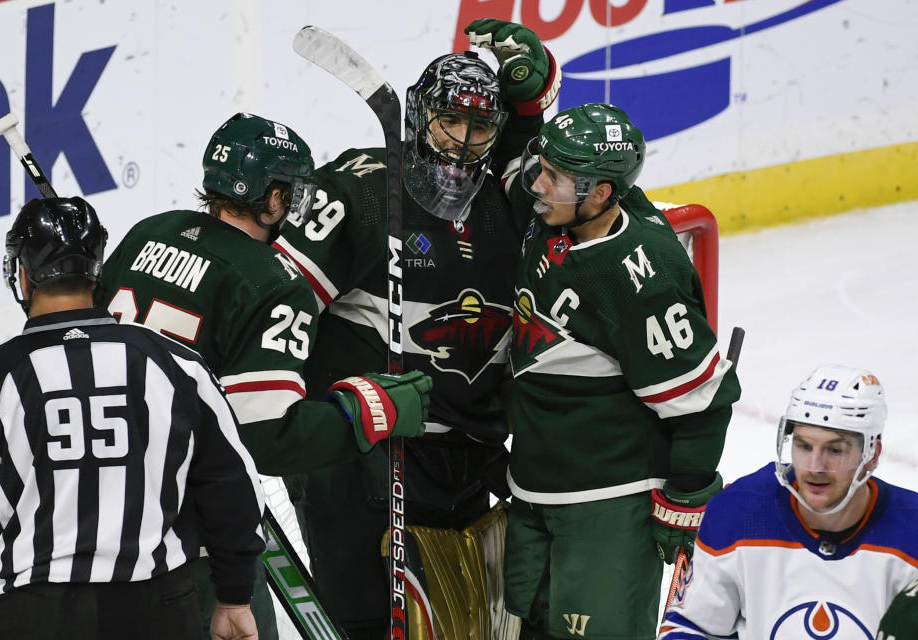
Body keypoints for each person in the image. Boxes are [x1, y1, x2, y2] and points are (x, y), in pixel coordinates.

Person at [274, 19, 560, 639]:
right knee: (365, 624)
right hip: (358, 451)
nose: (461, 142)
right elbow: (278, 299)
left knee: (467, 626)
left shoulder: (510, 209)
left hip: (462, 457)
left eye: (479, 127)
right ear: (417, 119)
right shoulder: (363, 191)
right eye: (448, 122)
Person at [96, 113, 432, 639]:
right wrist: (368, 413)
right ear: (271, 198)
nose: (296, 206)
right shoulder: (274, 285)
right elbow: (265, 438)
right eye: (292, 192)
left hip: (95, 509)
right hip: (190, 537)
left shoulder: (148, 232)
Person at [0, 197, 265, 640]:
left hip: (35, 615)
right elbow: (232, 486)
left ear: (22, 276)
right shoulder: (177, 365)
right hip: (159, 607)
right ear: (96, 271)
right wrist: (235, 597)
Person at [501, 103, 741, 640]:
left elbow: (702, 401)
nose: (536, 185)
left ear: (602, 193)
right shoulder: (565, 211)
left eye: (555, 178)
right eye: (542, 167)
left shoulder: (640, 281)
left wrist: (686, 492)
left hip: (608, 503)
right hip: (537, 483)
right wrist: (531, 96)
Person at [659, 365, 918, 639]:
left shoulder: (911, 532)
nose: (815, 467)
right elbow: (690, 628)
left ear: (872, 454)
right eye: (804, 446)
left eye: (835, 450)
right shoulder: (737, 514)